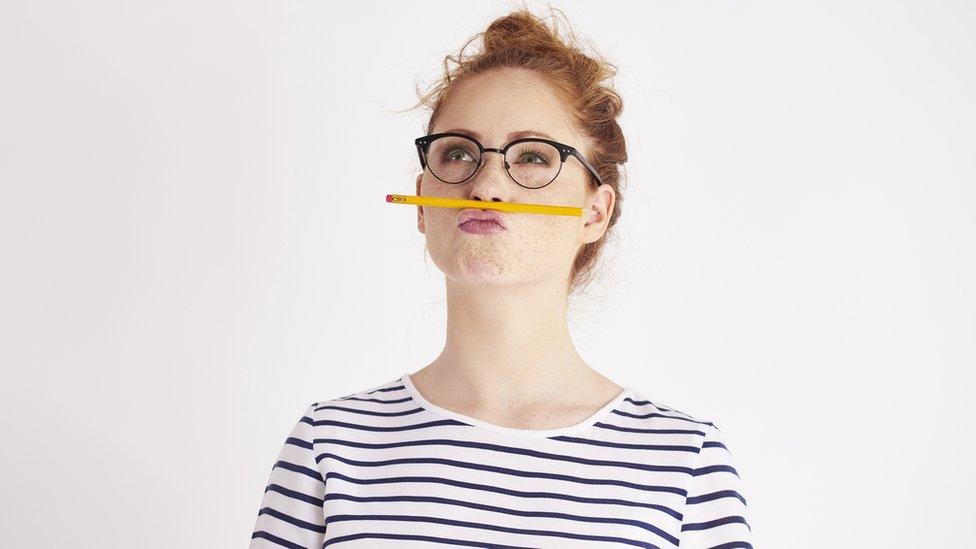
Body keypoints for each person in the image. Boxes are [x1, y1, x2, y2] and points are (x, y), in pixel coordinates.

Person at [250, 6, 752, 548]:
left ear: (594, 212)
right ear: (422, 203)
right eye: (459, 153)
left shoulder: (683, 463)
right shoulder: (331, 446)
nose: (487, 185)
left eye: (534, 156)